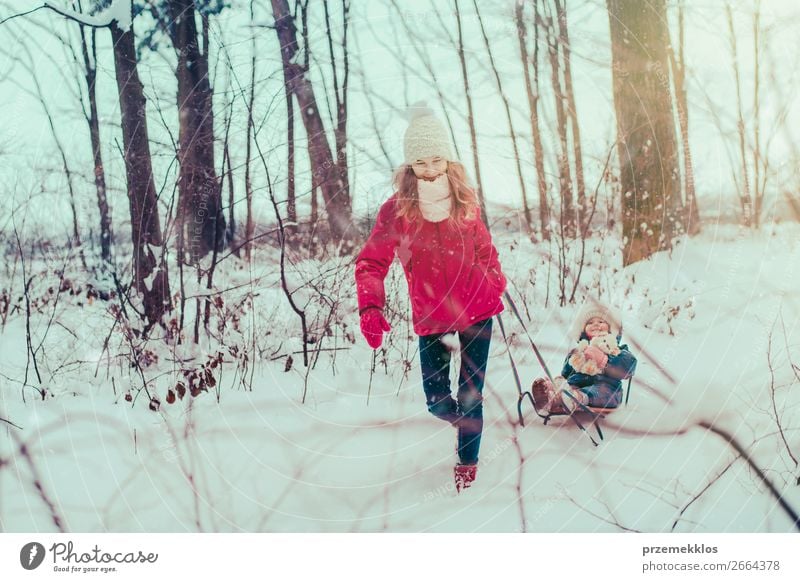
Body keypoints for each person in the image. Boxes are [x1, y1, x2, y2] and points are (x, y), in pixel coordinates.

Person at [354, 106, 507, 492]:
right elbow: (372, 261)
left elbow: (486, 251)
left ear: (448, 159)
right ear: (409, 165)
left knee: (471, 395)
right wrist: (370, 306)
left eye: (437, 159)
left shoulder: (464, 201)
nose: (430, 168)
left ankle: (467, 462)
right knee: (439, 401)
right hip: (433, 318)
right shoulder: (396, 210)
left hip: (478, 313)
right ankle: (461, 423)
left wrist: (494, 283)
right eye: (420, 161)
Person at [532, 304, 637, 415]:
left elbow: (629, 366)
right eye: (590, 323)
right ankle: (551, 396)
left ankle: (575, 399)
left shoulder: (617, 350)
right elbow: (566, 373)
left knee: (600, 392)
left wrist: (604, 360)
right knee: (565, 385)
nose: (595, 324)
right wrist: (573, 360)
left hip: (606, 388)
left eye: (601, 322)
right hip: (575, 385)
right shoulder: (580, 350)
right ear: (583, 330)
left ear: (611, 328)